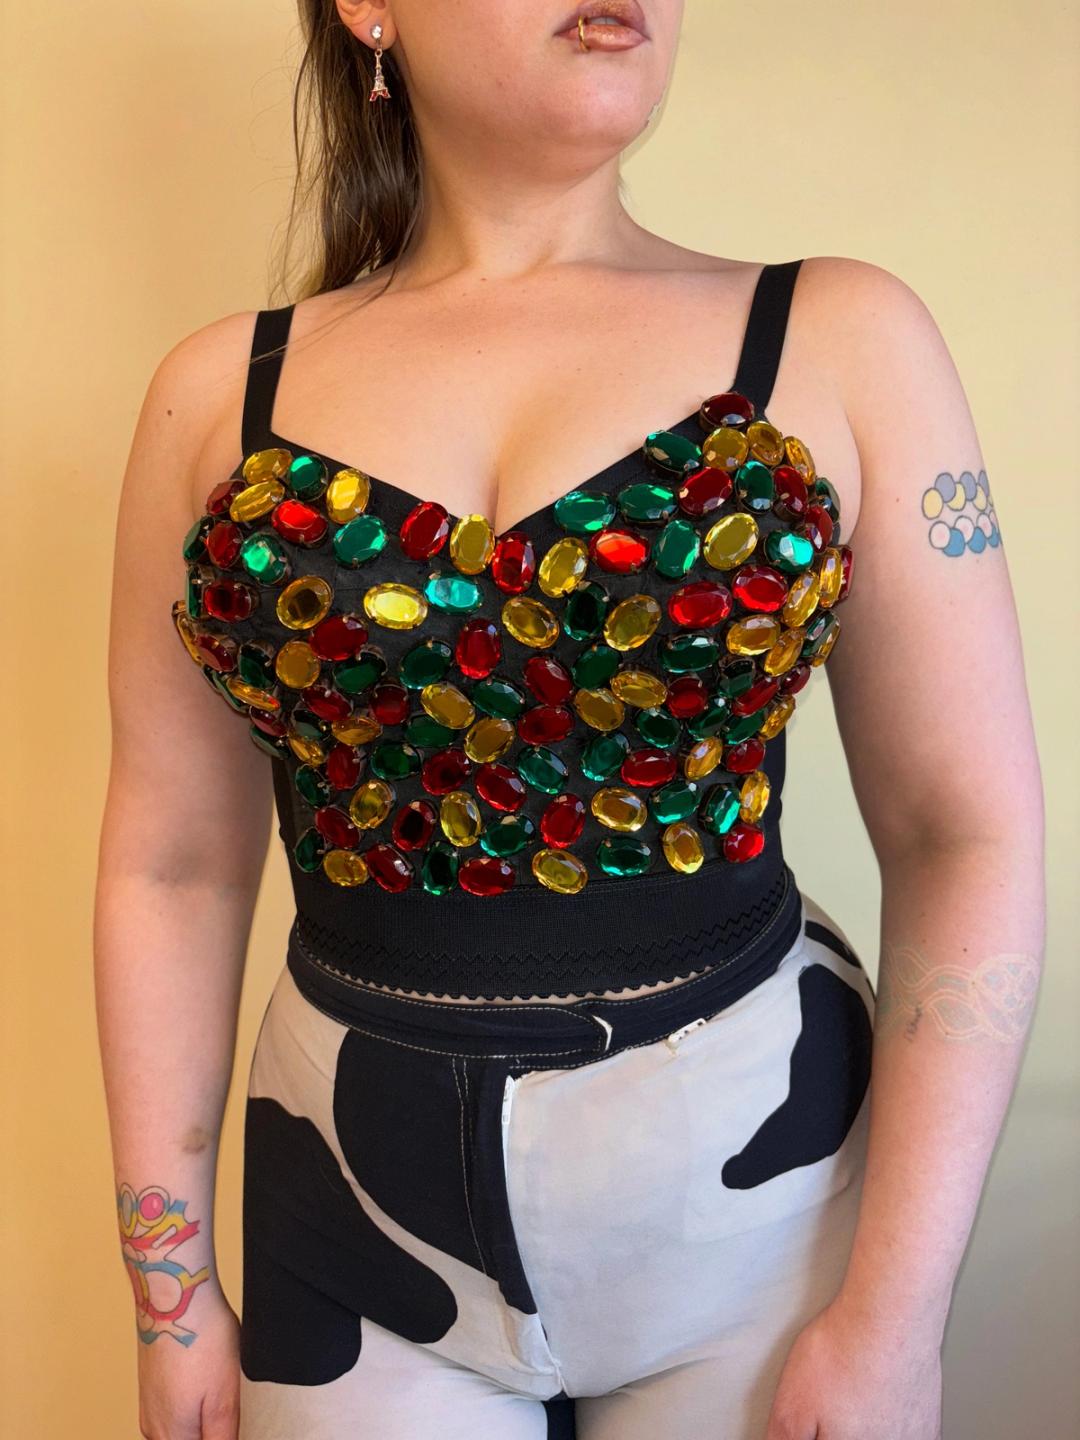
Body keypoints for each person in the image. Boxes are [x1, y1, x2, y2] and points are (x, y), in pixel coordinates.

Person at [94, 3, 1045, 1438]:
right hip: (346, 1213)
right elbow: (172, 866)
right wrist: (170, 1300)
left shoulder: (842, 340)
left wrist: (899, 1317)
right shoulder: (218, 398)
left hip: (765, 1216)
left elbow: (964, 834)